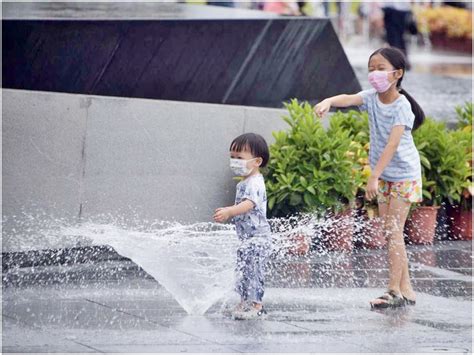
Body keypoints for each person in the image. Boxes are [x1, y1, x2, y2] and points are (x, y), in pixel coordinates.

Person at [314, 47, 425, 309]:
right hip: (385, 175)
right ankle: (406, 289)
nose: (374, 73)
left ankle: (393, 290)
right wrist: (328, 101)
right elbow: (348, 98)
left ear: (397, 73)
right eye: (371, 68)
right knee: (391, 233)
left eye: (380, 68)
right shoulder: (373, 97)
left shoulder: (402, 106)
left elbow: (392, 145)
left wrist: (373, 177)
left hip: (403, 176)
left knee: (392, 231)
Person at [214, 133, 272, 319]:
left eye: (240, 158)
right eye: (232, 157)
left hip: (257, 238)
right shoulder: (244, 182)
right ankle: (243, 301)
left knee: (253, 271)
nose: (235, 161)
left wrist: (230, 211)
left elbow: (249, 204)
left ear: (257, 161)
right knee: (242, 271)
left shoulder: (255, 182)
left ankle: (256, 305)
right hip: (246, 238)